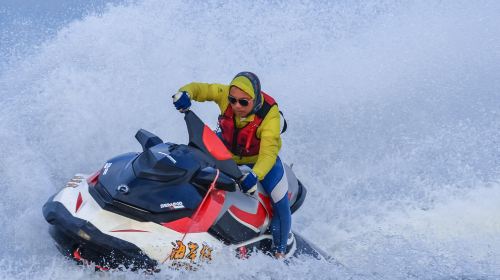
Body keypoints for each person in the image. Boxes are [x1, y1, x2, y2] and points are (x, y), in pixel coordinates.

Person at [172, 72, 291, 258]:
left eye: (243, 102)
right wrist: (184, 93)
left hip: (259, 161)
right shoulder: (224, 95)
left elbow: (268, 153)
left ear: (255, 99)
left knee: (281, 204)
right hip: (225, 155)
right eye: (232, 100)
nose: (236, 106)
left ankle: (280, 252)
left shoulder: (271, 116)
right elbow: (201, 89)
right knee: (191, 166)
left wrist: (255, 175)